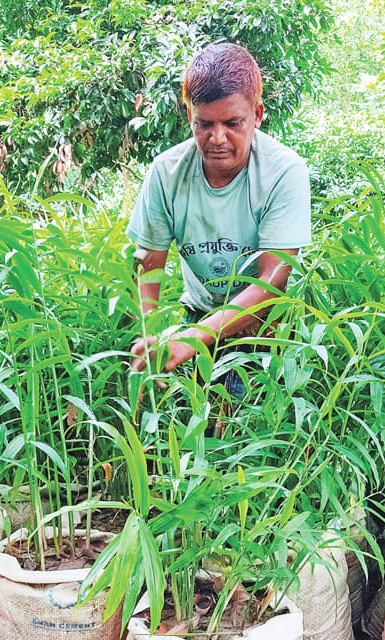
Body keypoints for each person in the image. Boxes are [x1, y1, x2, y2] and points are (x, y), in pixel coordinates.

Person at [126, 42, 311, 386]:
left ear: (257, 115)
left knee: (252, 428)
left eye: (233, 123)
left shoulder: (284, 172)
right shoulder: (166, 173)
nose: (218, 138)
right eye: (205, 124)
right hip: (197, 315)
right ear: (190, 117)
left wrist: (190, 339)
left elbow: (273, 282)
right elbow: (147, 267)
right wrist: (152, 338)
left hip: (268, 327)